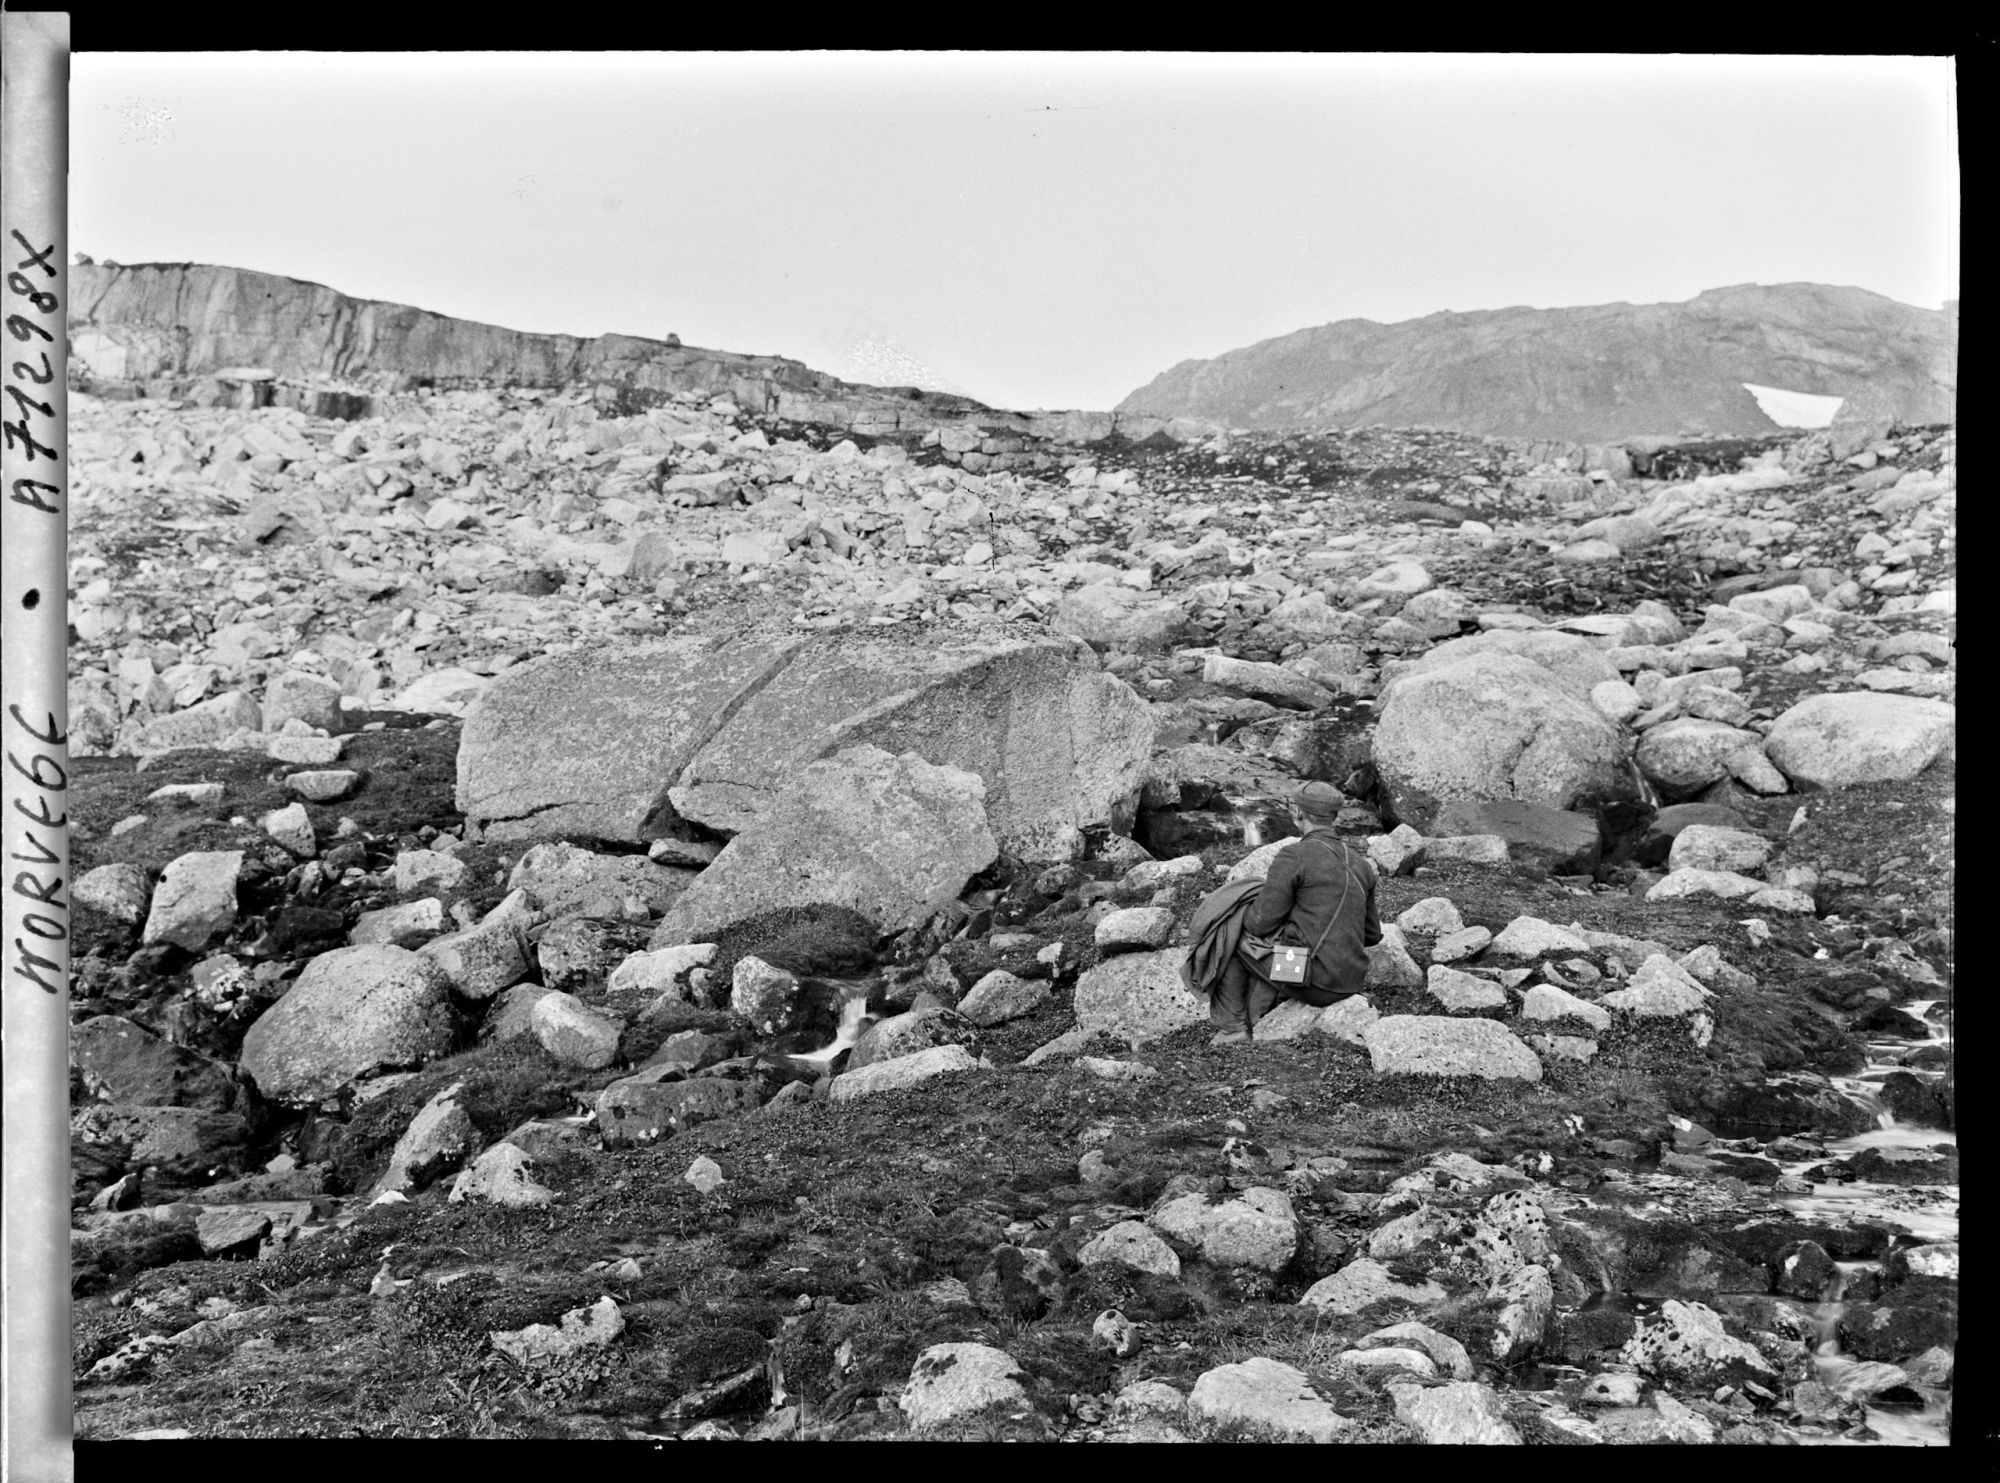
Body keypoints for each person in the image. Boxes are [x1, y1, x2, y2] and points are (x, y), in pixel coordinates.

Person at [1211, 781, 1382, 1042]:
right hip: (1349, 982)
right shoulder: (1361, 864)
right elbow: (1372, 935)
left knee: (1226, 934)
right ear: (1334, 816)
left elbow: (1260, 924)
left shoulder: (1294, 855)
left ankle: (1231, 1028)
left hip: (1312, 981)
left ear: (1299, 813)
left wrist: (1238, 909)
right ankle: (1260, 1014)